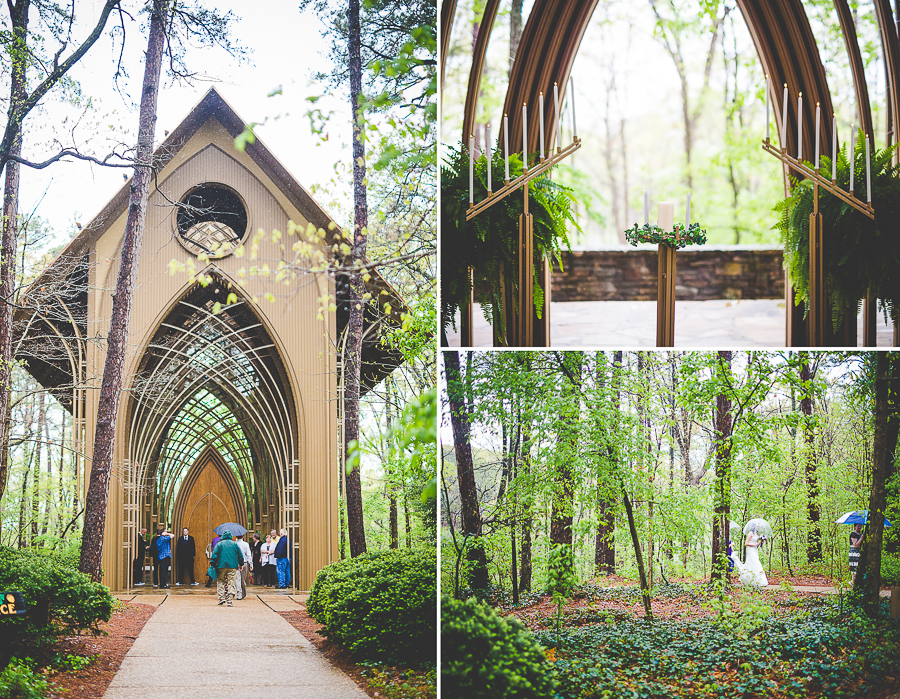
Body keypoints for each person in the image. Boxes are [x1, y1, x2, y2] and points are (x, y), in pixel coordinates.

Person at [209, 529, 242, 606]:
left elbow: (214, 555)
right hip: (232, 566)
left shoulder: (219, 544)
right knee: (231, 582)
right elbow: (240, 555)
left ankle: (221, 598)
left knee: (220, 581)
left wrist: (213, 564)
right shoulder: (235, 544)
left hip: (221, 566)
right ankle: (230, 600)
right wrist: (241, 564)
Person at [235, 533, 252, 600]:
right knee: (243, 579)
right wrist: (251, 564)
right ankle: (243, 593)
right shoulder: (246, 544)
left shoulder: (235, 544)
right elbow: (248, 555)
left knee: (237, 579)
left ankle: (239, 594)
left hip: (236, 563)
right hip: (244, 563)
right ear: (243, 536)